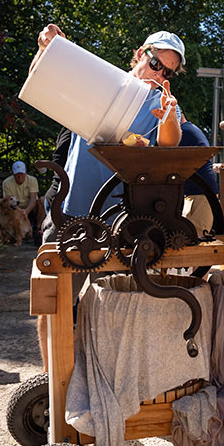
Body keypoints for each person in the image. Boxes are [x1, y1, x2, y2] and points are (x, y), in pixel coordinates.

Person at [32, 23, 183, 371]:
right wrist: (48, 49)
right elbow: (43, 80)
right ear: (139, 54)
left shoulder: (163, 103)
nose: (159, 74)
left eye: (169, 71)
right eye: (156, 63)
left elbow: (170, 144)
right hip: (70, 210)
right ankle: (51, 380)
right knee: (53, 301)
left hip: (115, 219)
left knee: (106, 306)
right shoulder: (99, 81)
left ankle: (93, 379)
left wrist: (169, 114)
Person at [178, 111, 219, 236]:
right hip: (198, 194)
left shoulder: (183, 132)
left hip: (200, 196)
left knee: (195, 237)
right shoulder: (189, 129)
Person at [2, 160, 42, 244]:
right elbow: (8, 202)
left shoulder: (32, 180)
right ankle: (7, 233)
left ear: (25, 172)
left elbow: (33, 199)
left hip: (31, 207)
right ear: (13, 173)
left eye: (22, 173)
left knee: (42, 201)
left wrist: (26, 211)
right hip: (15, 208)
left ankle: (37, 230)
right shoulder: (6, 183)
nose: (20, 176)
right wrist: (20, 211)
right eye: (17, 174)